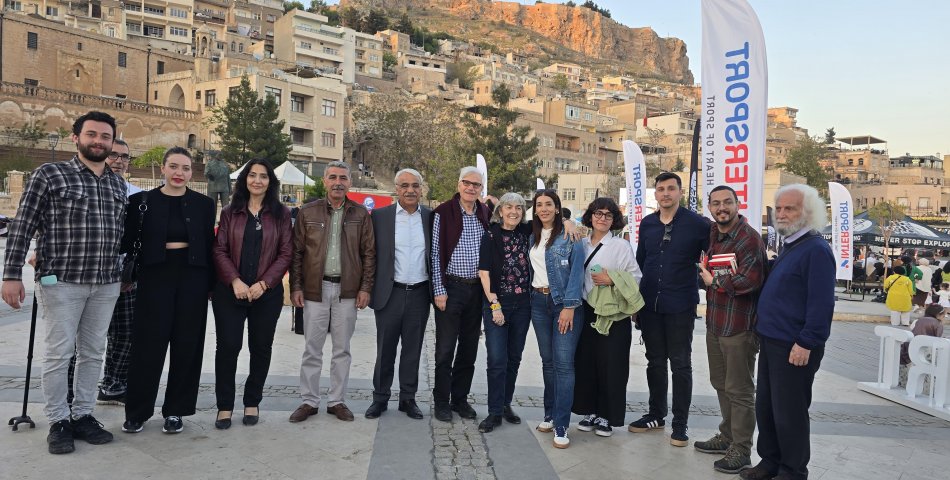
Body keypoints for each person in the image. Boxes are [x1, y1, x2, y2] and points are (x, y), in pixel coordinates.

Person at [2, 111, 126, 454]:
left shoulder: (116, 184)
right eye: (92, 134)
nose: (98, 141)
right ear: (76, 138)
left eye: (105, 136)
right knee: (59, 353)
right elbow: (22, 225)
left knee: (93, 353)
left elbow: (120, 235)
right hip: (62, 283)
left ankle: (83, 414)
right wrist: (11, 275)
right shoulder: (50, 175)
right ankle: (58, 420)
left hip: (105, 283)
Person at [740, 184, 834, 480]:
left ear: (808, 213)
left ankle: (792, 471)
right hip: (772, 341)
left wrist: (806, 342)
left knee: (789, 412)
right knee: (767, 407)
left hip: (794, 346)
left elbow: (821, 303)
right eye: (778, 208)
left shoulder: (816, 250)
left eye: (789, 208)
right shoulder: (791, 245)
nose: (781, 214)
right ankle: (770, 462)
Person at [120, 147, 215, 435]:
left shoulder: (204, 204)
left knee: (187, 345)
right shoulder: (140, 202)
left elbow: (209, 246)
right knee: (147, 345)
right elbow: (126, 242)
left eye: (185, 168)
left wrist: (212, 285)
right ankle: (137, 412)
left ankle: (176, 410)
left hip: (193, 278)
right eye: (173, 166)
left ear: (191, 173)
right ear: (162, 168)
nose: (179, 173)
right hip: (154, 277)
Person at [289, 161, 375, 423]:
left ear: (350, 182)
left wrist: (365, 288)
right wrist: (296, 286)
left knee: (342, 349)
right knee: (312, 349)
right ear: (324, 181)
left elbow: (369, 254)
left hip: (347, 291)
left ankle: (337, 400)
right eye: (333, 177)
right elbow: (297, 252)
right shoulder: (307, 212)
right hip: (315, 289)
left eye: (343, 178)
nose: (338, 182)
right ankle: (309, 400)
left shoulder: (360, 214)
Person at [211, 159, 292, 429]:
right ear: (244, 179)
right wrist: (234, 280)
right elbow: (219, 249)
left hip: (266, 295)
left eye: (264, 176)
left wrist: (265, 283)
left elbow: (286, 253)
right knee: (228, 347)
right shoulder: (230, 212)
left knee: (261, 347)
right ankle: (224, 405)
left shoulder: (281, 214)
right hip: (230, 292)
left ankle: (252, 401)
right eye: (252, 175)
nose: (257, 180)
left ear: (271, 182)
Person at [630, 172, 710, 447]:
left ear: (680, 192)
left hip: (680, 305)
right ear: (655, 194)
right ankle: (656, 415)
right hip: (650, 304)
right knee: (654, 361)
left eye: (671, 188)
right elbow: (640, 263)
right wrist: (636, 303)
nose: (666, 193)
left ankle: (680, 423)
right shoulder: (648, 224)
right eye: (661, 189)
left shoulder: (698, 224)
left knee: (680, 363)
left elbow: (715, 254)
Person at [694, 186, 768, 474]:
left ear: (738, 204)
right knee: (721, 383)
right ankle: (727, 436)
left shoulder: (749, 239)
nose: (721, 208)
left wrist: (714, 281)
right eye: (716, 203)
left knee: (740, 390)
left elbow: (750, 281)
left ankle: (742, 448)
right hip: (716, 323)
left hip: (739, 327)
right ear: (710, 207)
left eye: (727, 202)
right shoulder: (714, 233)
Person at [572, 197, 643, 439]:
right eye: (598, 213)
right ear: (590, 216)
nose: (602, 218)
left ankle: (607, 415)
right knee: (587, 362)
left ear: (614, 220)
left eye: (608, 215)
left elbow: (636, 277)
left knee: (612, 364)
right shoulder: (581, 243)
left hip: (613, 313)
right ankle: (590, 411)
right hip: (586, 309)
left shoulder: (620, 246)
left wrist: (611, 278)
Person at [365, 169, 432, 421]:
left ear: (421, 189)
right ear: (396, 189)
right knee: (385, 349)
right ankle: (380, 397)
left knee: (412, 350)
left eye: (415, 185)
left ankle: (408, 398)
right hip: (389, 293)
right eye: (404, 185)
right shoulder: (380, 217)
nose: (410, 190)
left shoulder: (430, 217)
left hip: (420, 293)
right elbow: (369, 254)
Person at [430, 167, 492, 423]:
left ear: (481, 188)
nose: (471, 188)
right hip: (451, 288)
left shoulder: (485, 212)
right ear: (459, 184)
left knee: (469, 349)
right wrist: (439, 289)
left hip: (476, 290)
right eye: (467, 183)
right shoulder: (443, 212)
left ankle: (459, 399)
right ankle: (441, 401)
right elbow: (435, 253)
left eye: (476, 185)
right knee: (445, 349)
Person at [529, 189, 586, 449]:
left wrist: (569, 306)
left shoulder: (570, 235)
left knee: (563, 365)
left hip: (564, 304)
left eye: (548, 204)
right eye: (539, 204)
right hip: (538, 303)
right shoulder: (532, 235)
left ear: (557, 207)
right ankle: (550, 414)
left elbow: (577, 273)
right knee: (548, 362)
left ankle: (562, 424)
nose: (543, 209)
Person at [475, 192, 533, 433]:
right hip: (497, 304)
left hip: (523, 305)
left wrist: (570, 222)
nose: (514, 212)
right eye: (508, 207)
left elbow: (552, 221)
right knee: (497, 359)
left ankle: (505, 403)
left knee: (514, 358)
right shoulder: (491, 235)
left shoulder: (526, 232)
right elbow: (484, 273)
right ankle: (494, 412)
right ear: (500, 211)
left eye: (518, 208)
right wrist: (495, 305)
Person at [96, 139, 143, 406]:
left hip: (125, 275)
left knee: (125, 333)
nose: (119, 161)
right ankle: (73, 391)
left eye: (125, 157)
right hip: (90, 274)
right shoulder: (89, 187)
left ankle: (113, 384)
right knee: (86, 338)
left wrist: (132, 273)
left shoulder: (137, 195)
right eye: (113, 155)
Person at [898, 303, 945, 394]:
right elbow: (937, 339)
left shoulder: (918, 321)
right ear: (938, 315)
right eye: (943, 315)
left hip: (909, 349)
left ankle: (905, 386)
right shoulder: (938, 324)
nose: (944, 317)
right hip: (926, 353)